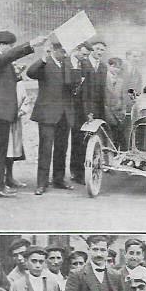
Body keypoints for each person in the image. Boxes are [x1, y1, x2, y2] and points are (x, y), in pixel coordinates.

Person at [0, 30, 46, 198]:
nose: (11, 49)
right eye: (10, 45)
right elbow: (9, 57)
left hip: (2, 111)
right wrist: (32, 44)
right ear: (3, 45)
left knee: (0, 150)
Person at [26, 38, 79, 194]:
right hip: (47, 114)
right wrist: (43, 58)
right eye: (62, 51)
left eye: (66, 52)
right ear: (54, 50)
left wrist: (75, 67)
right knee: (46, 149)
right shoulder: (44, 63)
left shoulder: (68, 64)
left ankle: (59, 179)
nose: (65, 54)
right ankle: (41, 183)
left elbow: (74, 84)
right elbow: (30, 73)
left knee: (62, 148)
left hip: (64, 113)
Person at [70, 36, 107, 182]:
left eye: (102, 50)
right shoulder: (83, 64)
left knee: (93, 140)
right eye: (97, 49)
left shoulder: (103, 67)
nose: (99, 52)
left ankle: (89, 169)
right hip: (82, 109)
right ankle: (77, 172)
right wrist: (87, 112)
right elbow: (82, 91)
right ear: (92, 50)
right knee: (79, 140)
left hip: (97, 109)